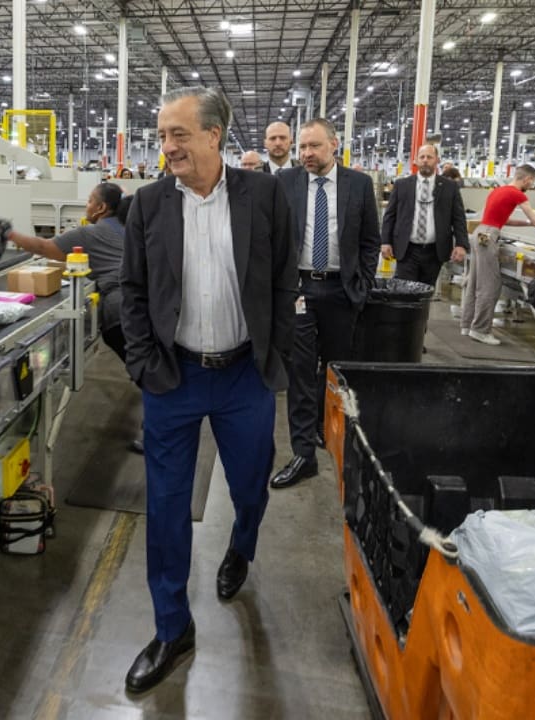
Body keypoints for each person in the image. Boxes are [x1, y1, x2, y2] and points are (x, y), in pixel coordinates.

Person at [119, 85, 296, 693]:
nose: (167, 147)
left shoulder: (263, 195)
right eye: (162, 135)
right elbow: (132, 291)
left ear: (214, 136)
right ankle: (172, 627)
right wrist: (144, 364)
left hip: (245, 373)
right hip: (174, 377)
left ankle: (241, 544)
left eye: (179, 134)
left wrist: (275, 353)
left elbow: (283, 277)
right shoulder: (148, 205)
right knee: (167, 506)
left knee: (250, 484)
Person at [270, 118, 381, 490]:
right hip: (300, 290)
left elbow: (370, 241)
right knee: (300, 373)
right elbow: (273, 236)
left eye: (314, 146)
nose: (306, 153)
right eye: (302, 147)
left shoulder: (358, 184)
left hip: (341, 291)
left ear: (334, 144)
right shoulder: (285, 182)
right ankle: (303, 453)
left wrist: (361, 286)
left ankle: (324, 427)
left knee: (334, 370)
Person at [7, 183, 131, 362]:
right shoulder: (128, 226)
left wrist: (9, 235)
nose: (86, 206)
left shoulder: (89, 233)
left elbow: (43, 247)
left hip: (121, 310)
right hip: (146, 301)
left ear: (101, 208)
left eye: (90, 201)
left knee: (143, 367)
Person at [459, 163, 535, 345]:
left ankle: (467, 325)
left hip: (480, 233)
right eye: (532, 182)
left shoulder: (498, 190)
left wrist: (528, 224)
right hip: (488, 237)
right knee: (491, 285)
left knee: (475, 281)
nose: (531, 186)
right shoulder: (518, 194)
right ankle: (480, 330)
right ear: (528, 179)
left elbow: (503, 220)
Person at [380, 144, 468, 287]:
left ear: (437, 160)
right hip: (407, 250)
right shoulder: (402, 185)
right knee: (404, 292)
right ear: (416, 160)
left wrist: (461, 244)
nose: (425, 160)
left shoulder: (450, 187)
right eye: (422, 157)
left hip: (434, 251)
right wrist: (385, 241)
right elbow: (390, 215)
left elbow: (458, 218)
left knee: (426, 292)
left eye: (429, 157)